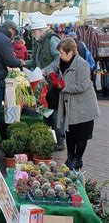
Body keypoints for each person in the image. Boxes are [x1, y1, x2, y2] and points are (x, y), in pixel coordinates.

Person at [43, 38, 100, 170]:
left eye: (62, 53)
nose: (60, 56)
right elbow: (52, 65)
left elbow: (81, 86)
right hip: (69, 104)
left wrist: (63, 85)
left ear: (71, 52)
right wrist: (50, 73)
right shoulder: (62, 60)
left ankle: (78, 159)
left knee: (81, 134)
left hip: (83, 106)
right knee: (70, 133)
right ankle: (70, 157)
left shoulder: (82, 65)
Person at [25, 20, 63, 150]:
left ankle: (60, 142)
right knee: (46, 111)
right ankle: (51, 139)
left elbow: (60, 58)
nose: (32, 34)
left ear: (41, 30)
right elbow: (35, 61)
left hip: (53, 82)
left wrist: (46, 70)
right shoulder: (39, 42)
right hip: (43, 82)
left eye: (34, 31)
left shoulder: (52, 39)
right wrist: (22, 63)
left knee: (55, 111)